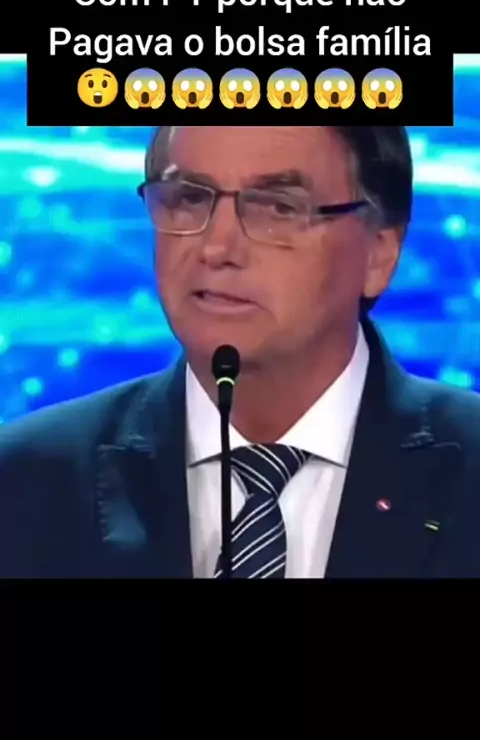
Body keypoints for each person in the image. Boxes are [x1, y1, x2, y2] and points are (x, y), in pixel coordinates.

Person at [1, 125, 479, 578]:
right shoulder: (20, 483)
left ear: (379, 253)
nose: (217, 247)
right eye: (189, 198)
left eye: (278, 208)